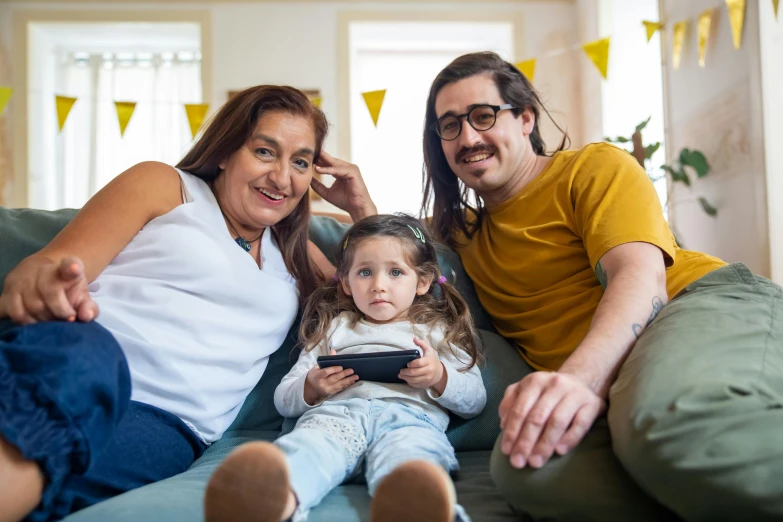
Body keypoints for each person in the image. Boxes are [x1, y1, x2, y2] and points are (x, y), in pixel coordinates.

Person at [325, 52, 783, 521]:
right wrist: (358, 204)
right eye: (449, 126)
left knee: (666, 428)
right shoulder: (460, 231)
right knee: (528, 469)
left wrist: (578, 382)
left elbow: (639, 276)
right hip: (614, 376)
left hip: (691, 306)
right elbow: (389, 259)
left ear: (525, 118)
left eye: (483, 116)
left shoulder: (592, 167)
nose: (467, 137)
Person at [0, 85, 342, 522]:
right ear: (224, 151)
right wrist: (37, 279)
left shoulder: (298, 254)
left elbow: (385, 299)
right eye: (264, 152)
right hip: (80, 360)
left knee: (56, 486)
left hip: (168, 427)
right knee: (90, 360)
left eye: (300, 162)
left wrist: (360, 209)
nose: (282, 177)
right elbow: (53, 264)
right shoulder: (165, 186)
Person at [203, 214, 486, 522]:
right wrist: (312, 386)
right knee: (309, 449)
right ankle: (268, 500)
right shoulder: (334, 329)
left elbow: (474, 400)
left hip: (409, 422)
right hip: (335, 419)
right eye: (365, 272)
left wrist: (439, 376)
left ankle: (417, 506)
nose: (378, 286)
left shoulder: (436, 331)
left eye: (395, 272)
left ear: (422, 282)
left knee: (412, 458)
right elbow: (284, 399)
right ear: (347, 283)